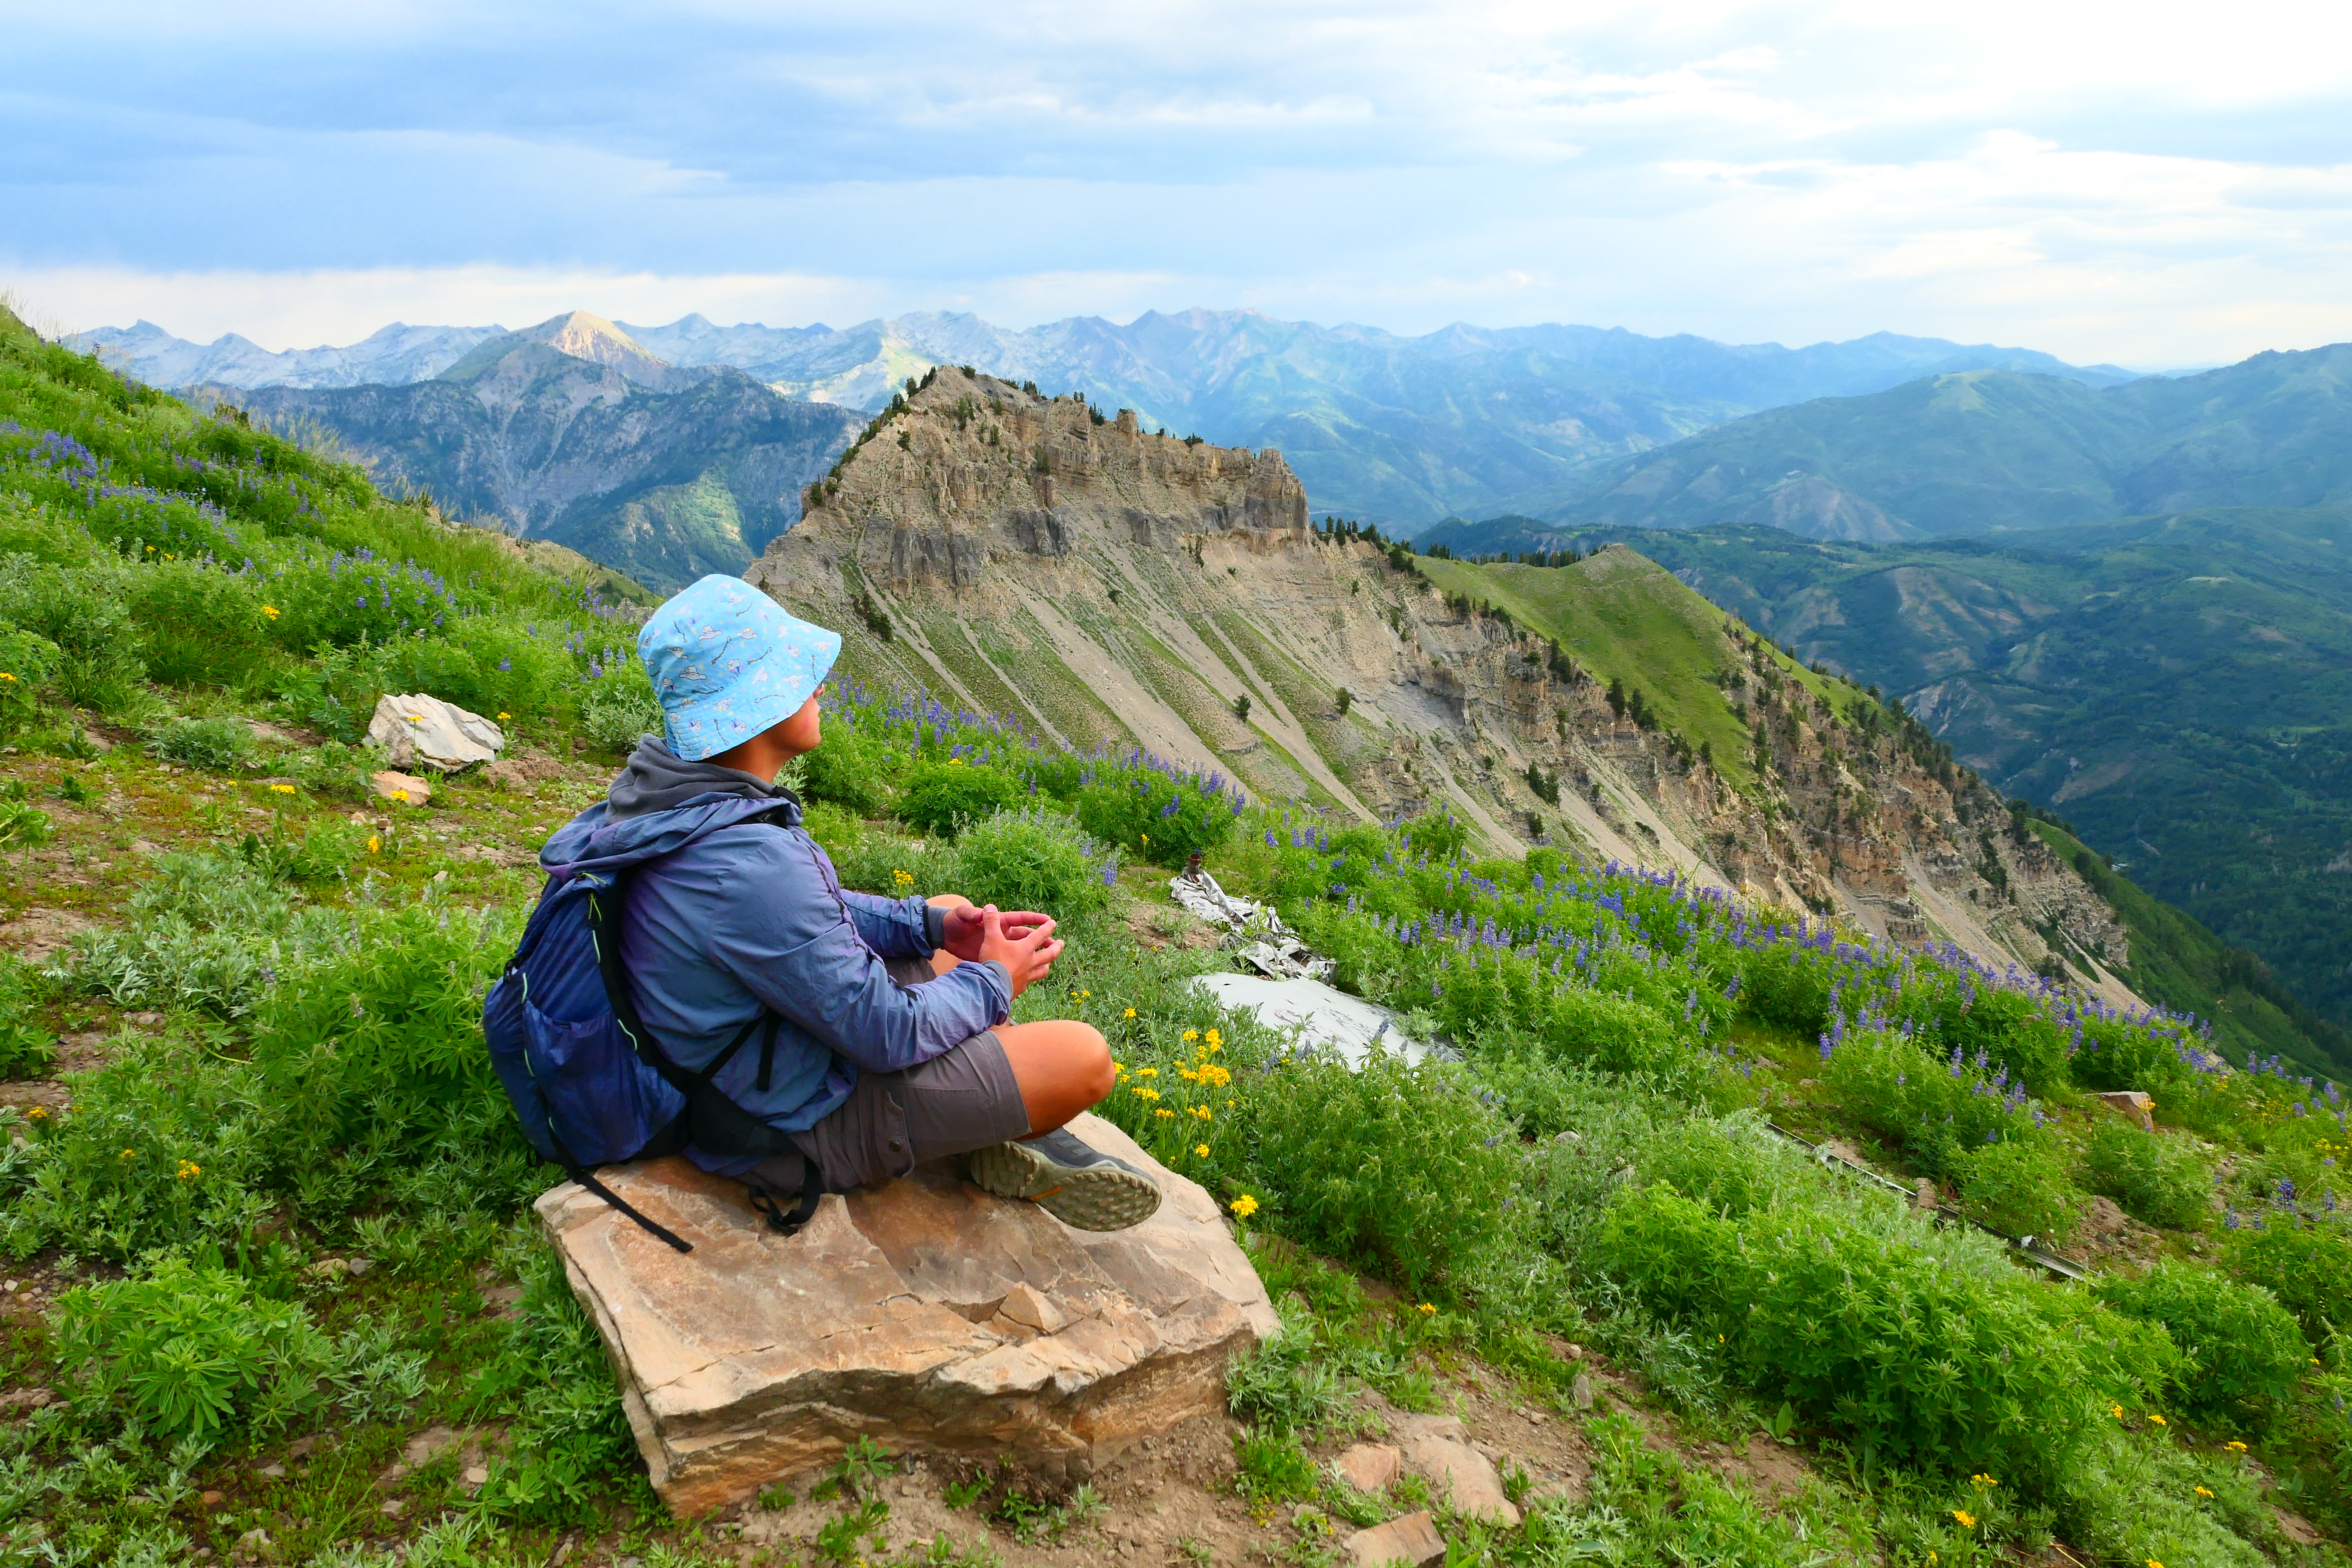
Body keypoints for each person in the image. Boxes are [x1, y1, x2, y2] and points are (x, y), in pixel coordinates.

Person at [581, 575, 1161, 1231]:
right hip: (787, 1125)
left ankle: (985, 1102)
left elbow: (804, 917)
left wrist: (932, 925)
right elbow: (888, 1033)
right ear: (758, 703)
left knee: (949, 914)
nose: (820, 688)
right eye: (799, 676)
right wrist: (997, 980)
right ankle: (993, 1116)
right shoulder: (748, 863)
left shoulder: (676, 794)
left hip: (758, 1055)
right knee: (1084, 1059)